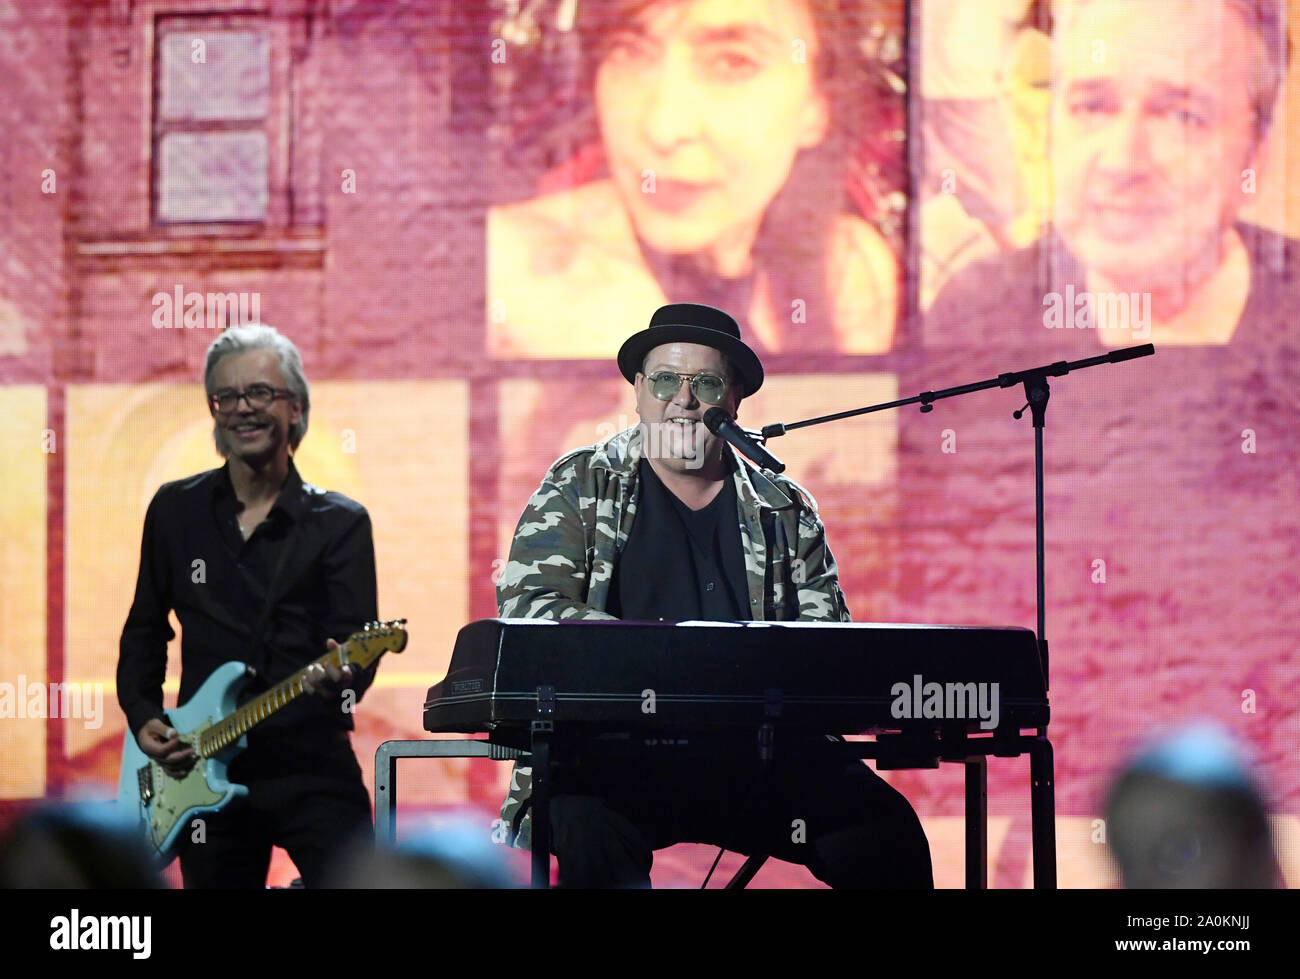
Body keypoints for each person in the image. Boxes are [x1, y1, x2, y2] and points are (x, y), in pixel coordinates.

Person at [494, 302, 932, 888]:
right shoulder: (581, 482)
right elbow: (529, 610)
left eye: (705, 383)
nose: (685, 399)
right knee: (584, 823)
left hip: (760, 761)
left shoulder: (783, 507)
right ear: (639, 392)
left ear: (734, 401)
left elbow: (827, 642)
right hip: (613, 758)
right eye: (666, 381)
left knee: (884, 831)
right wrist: (663, 655)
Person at [116, 324, 380, 888]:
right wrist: (143, 717)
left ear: (296, 408)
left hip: (310, 763)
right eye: (226, 397)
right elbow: (145, 628)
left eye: (259, 393)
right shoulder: (174, 511)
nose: (242, 409)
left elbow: (358, 654)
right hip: (196, 765)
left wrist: (344, 673)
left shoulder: (340, 523)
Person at [488, 0, 901, 359]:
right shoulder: (505, 268)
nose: (663, 127)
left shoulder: (850, 271)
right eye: (628, 51)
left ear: (818, 106)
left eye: (733, 61)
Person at [927, 0, 1297, 350]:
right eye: (1092, 107)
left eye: (1182, 117)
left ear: (1255, 157)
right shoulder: (975, 316)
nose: (1121, 163)